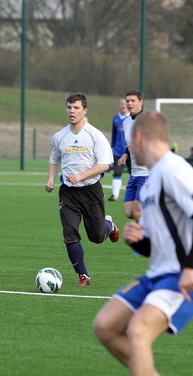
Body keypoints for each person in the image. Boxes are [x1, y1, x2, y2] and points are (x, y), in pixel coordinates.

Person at [93, 111, 193, 376]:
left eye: (129, 140)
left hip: (185, 275)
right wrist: (141, 240)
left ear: (138, 139)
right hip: (159, 272)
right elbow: (161, 242)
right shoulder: (151, 181)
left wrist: (191, 267)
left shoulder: (174, 169)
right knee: (105, 326)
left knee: (138, 332)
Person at [46, 92, 120, 287]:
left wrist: (81, 175)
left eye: (76, 107)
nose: (72, 111)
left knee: (96, 237)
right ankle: (83, 276)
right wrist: (51, 179)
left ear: (84, 110)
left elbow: (105, 164)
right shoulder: (59, 137)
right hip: (68, 192)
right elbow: (54, 159)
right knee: (69, 233)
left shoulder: (95, 135)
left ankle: (108, 225)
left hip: (91, 191)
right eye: (69, 107)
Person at [117, 89, 149, 221]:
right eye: (128, 101)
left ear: (141, 102)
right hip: (134, 173)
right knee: (129, 212)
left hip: (148, 173)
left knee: (137, 213)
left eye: (133, 101)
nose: (129, 103)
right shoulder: (126, 122)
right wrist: (125, 155)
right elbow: (129, 144)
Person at [109, 98, 130, 201]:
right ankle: (115, 195)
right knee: (117, 173)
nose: (123, 105)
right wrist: (112, 147)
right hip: (118, 151)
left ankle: (136, 195)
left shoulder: (132, 118)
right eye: (121, 104)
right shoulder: (116, 118)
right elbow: (114, 134)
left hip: (131, 151)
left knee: (134, 174)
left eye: (125, 103)